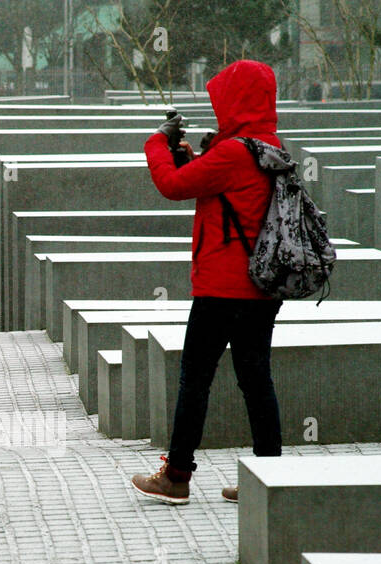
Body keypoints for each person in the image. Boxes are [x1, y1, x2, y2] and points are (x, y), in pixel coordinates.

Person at [130, 59, 284, 506]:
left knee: (195, 379)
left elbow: (174, 185)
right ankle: (267, 480)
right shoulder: (265, 145)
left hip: (222, 287)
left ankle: (176, 476)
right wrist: (192, 155)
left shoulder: (235, 152)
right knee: (256, 380)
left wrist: (157, 143)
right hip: (261, 288)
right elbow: (212, 183)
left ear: (236, 101)